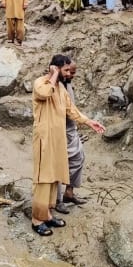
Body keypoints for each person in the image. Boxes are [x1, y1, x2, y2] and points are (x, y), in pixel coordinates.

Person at [30, 55, 104, 237]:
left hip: (58, 139)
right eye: (64, 70)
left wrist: (89, 122)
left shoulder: (61, 89)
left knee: (54, 176)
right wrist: (53, 75)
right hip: (44, 139)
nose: (68, 73)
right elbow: (44, 94)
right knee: (44, 178)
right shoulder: (41, 83)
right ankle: (37, 219)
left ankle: (47, 214)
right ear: (54, 68)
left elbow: (71, 110)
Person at [54, 60, 88, 214]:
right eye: (68, 71)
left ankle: (69, 192)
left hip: (70, 128)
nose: (71, 75)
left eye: (72, 72)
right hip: (58, 131)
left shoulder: (66, 83)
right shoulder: (52, 85)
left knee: (78, 158)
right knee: (57, 165)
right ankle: (57, 200)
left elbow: (71, 108)